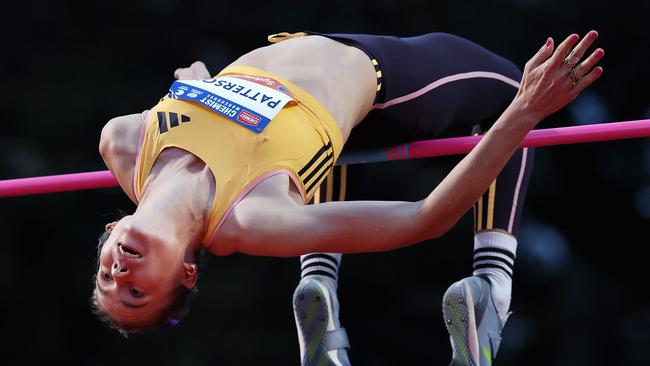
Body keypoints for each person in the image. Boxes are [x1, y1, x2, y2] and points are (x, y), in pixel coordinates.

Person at [93, 29, 603, 365]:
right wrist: (525, 111)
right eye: (136, 293)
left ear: (110, 235)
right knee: (508, 90)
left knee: (334, 155)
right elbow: (421, 219)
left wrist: (196, 83)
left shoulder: (125, 142)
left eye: (106, 278)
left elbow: (203, 98)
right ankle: (493, 290)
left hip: (321, 94)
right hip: (376, 79)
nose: (120, 276)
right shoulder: (248, 219)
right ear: (187, 272)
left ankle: (320, 286)